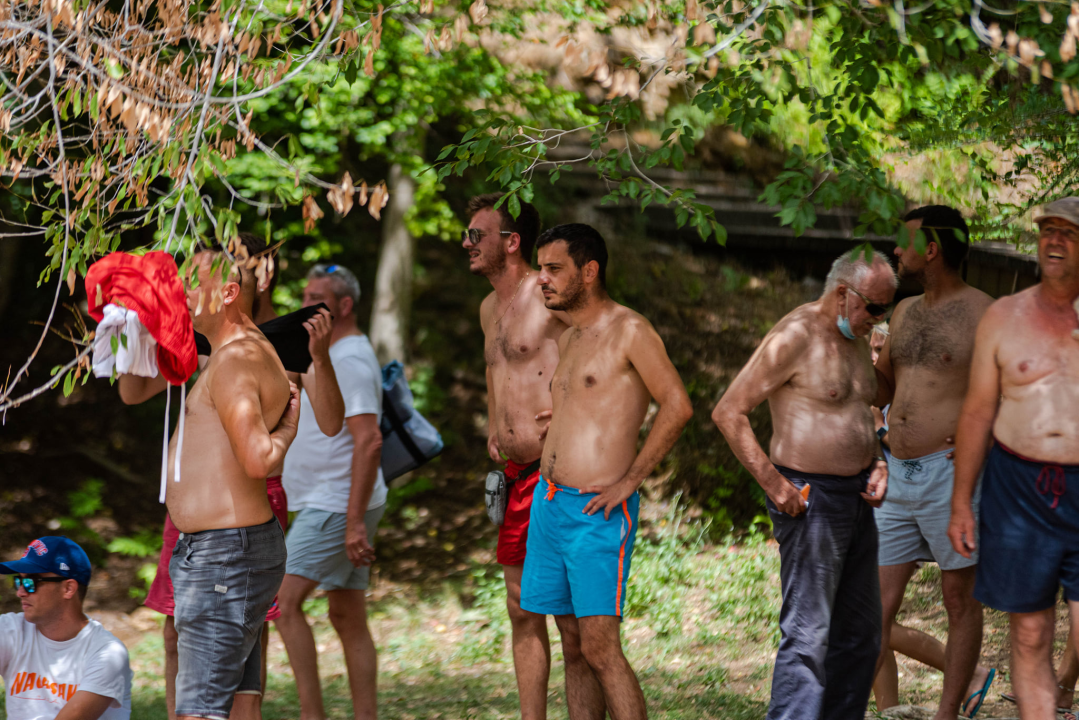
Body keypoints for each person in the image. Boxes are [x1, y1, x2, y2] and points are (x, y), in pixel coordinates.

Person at [118, 234, 341, 720]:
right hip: (209, 538)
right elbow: (132, 392)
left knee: (217, 686)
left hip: (233, 535)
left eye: (192, 283)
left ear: (244, 282)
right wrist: (133, 332)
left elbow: (321, 427)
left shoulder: (266, 346)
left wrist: (306, 389)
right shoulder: (212, 346)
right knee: (197, 655)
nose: (182, 293)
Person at [712, 250, 896, 720]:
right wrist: (775, 485)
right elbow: (729, 411)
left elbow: (860, 409)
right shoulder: (795, 335)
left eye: (886, 309)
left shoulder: (856, 336)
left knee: (862, 634)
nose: (880, 318)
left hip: (858, 497)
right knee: (809, 635)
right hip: (811, 499)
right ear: (843, 294)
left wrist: (877, 459)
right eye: (875, 307)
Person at [522, 223, 693, 720]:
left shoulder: (630, 330)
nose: (542, 279)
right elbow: (596, 403)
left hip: (596, 512)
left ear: (589, 271)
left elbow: (678, 405)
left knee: (600, 648)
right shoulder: (571, 335)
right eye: (541, 268)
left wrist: (631, 480)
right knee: (572, 645)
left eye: (554, 268)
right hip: (550, 503)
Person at [949, 196, 1079, 720]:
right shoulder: (1004, 317)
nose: (1054, 240)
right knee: (1029, 633)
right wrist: (961, 501)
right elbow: (978, 411)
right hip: (1018, 490)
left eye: (1069, 232)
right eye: (1048, 230)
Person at [164, 239, 299, 720]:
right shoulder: (235, 352)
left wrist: (288, 430)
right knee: (238, 703)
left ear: (227, 293)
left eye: (190, 284)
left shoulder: (237, 358)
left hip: (225, 558)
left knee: (198, 711)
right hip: (225, 553)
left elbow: (258, 460)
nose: (180, 293)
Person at [872, 206, 996, 718]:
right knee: (874, 608)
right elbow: (883, 386)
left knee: (958, 600)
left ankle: (948, 714)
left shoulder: (985, 313)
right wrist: (847, 350)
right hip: (896, 474)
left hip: (951, 476)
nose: (896, 251)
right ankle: (872, 708)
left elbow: (1009, 392)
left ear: (932, 249)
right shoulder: (903, 311)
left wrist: (980, 447)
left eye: (904, 242)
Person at [464, 193, 567, 720]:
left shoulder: (547, 294)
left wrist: (571, 409)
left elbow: (596, 346)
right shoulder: (488, 308)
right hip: (513, 472)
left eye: (476, 235)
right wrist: (494, 421)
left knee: (570, 618)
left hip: (558, 472)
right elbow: (494, 368)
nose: (466, 243)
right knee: (519, 605)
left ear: (511, 242)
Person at [275, 264, 386, 720]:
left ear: (344, 305)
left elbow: (369, 440)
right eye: (304, 295)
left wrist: (354, 521)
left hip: (336, 503)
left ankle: (311, 715)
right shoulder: (328, 352)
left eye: (316, 297)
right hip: (331, 501)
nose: (305, 305)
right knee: (346, 615)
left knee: (282, 603)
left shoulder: (350, 359)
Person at [0, 536, 132, 720]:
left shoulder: (107, 652)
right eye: (19, 581)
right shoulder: (11, 629)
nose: (20, 592)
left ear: (68, 589)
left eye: (31, 583)